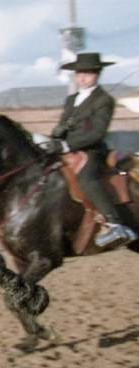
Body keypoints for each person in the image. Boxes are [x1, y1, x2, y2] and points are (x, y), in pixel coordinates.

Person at [51, 52, 138, 248]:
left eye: (88, 74)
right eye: (79, 73)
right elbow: (63, 124)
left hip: (93, 151)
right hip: (66, 150)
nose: (82, 77)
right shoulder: (71, 100)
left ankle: (115, 223)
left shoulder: (104, 100)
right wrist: (57, 136)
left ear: (97, 75)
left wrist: (67, 144)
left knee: (86, 178)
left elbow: (97, 133)